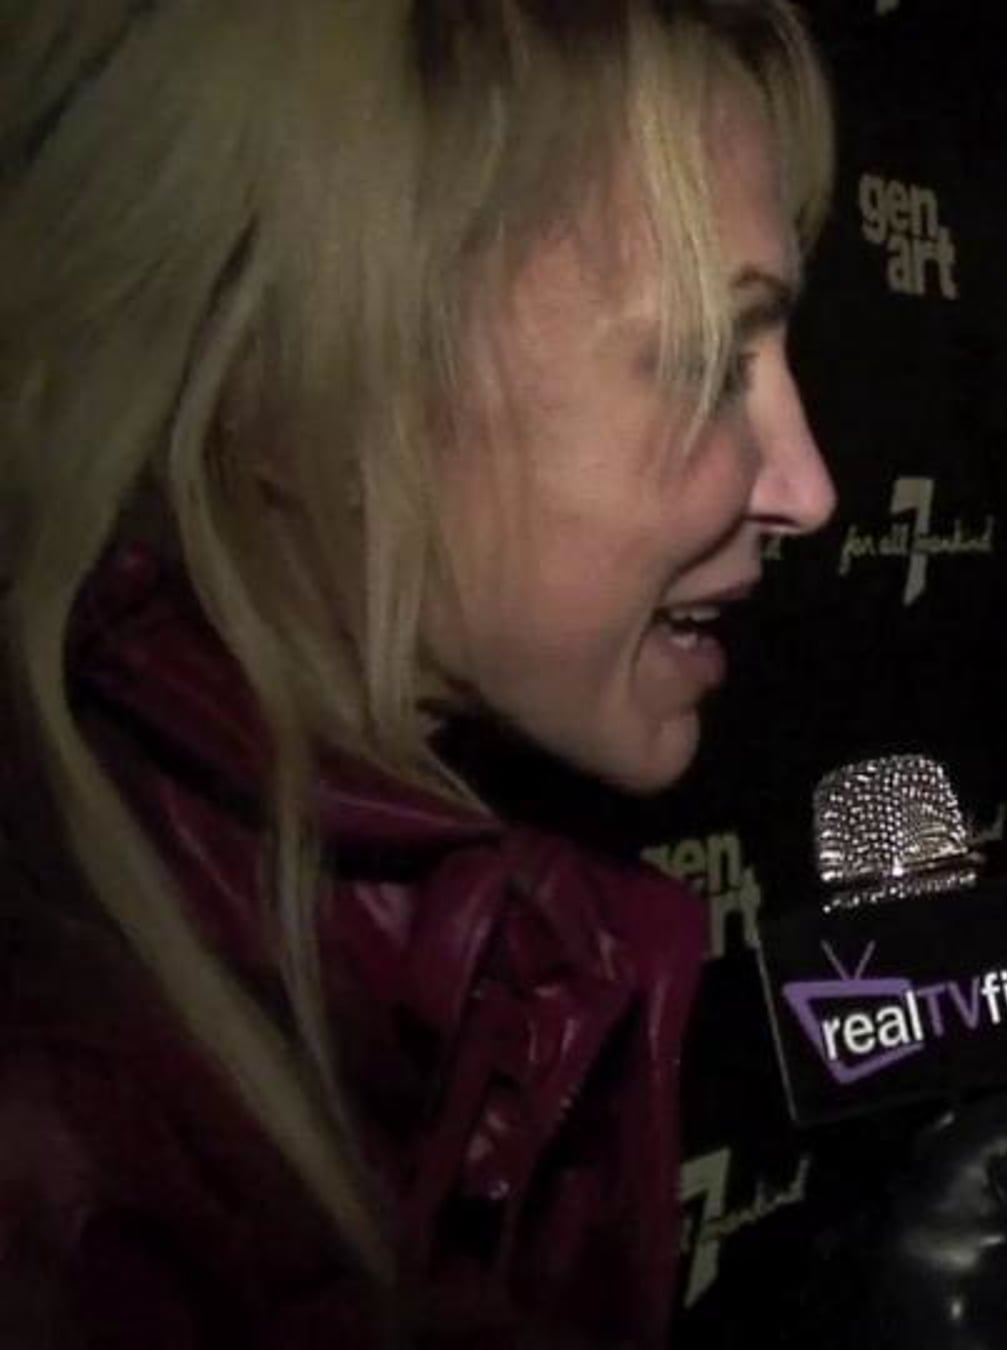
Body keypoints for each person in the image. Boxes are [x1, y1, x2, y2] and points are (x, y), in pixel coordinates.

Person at [0, 2, 836, 1342]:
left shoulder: (416, 955)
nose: (807, 487)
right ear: (298, 382)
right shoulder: (69, 1151)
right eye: (702, 358)